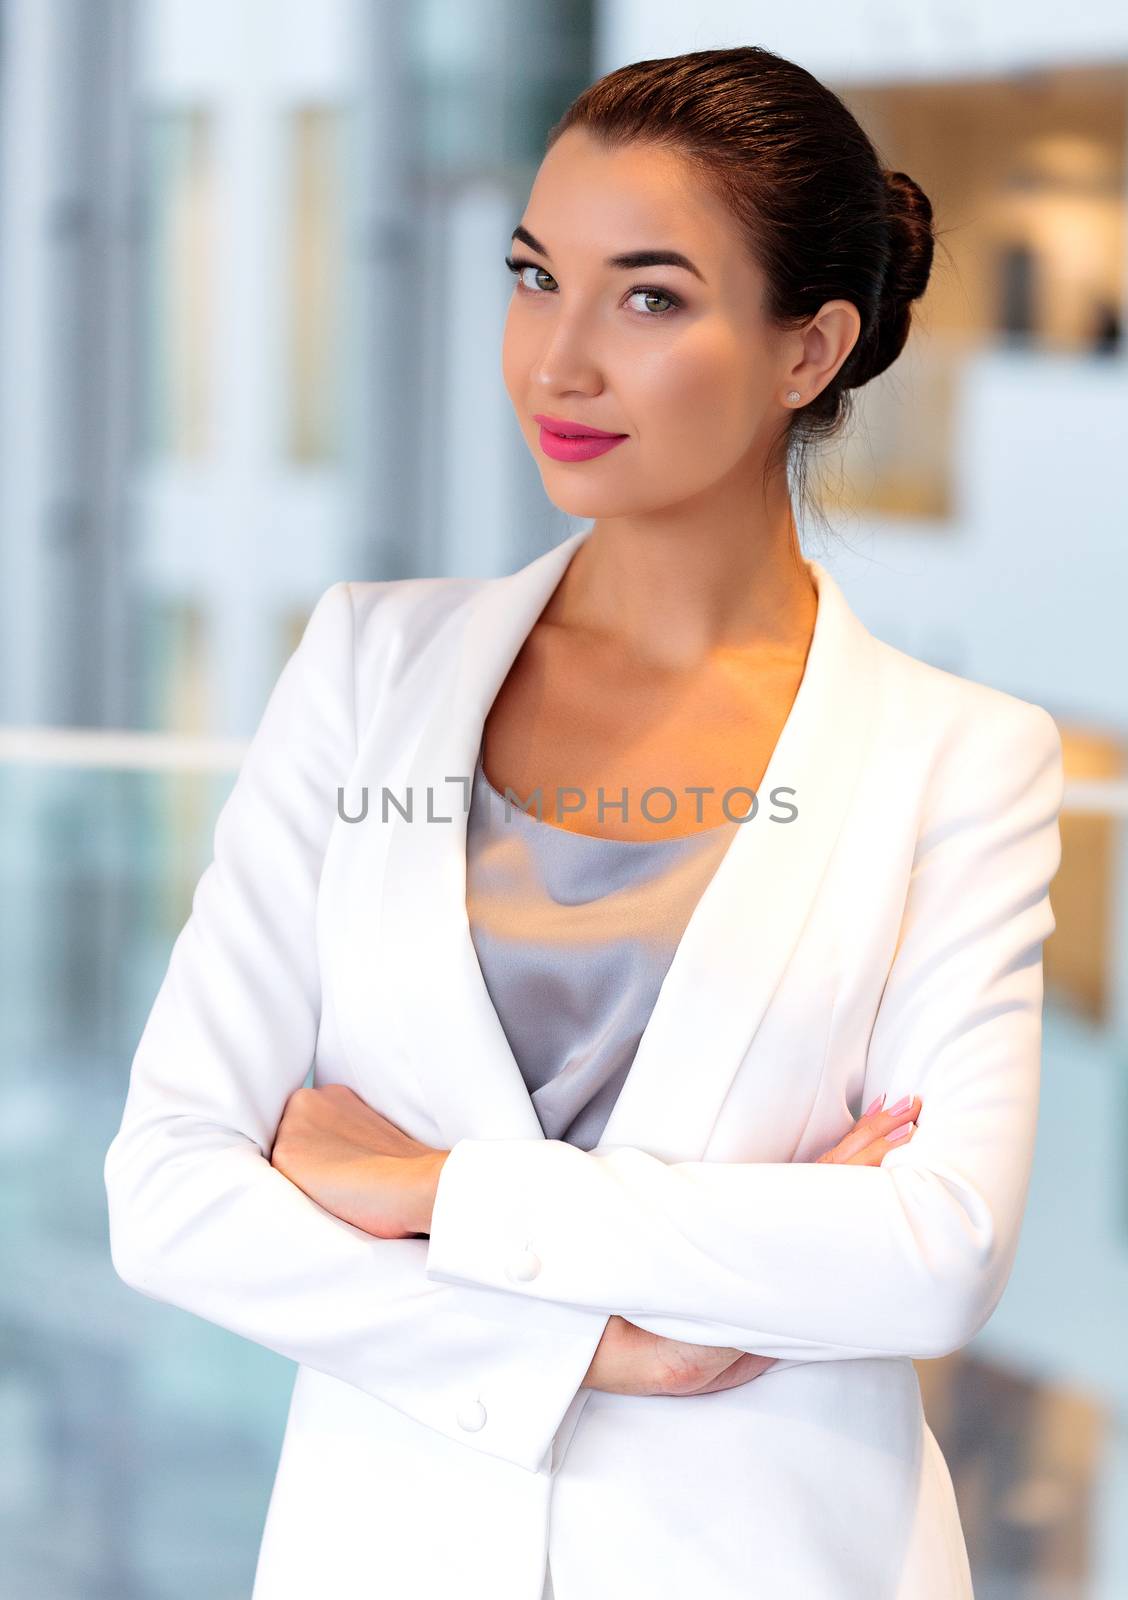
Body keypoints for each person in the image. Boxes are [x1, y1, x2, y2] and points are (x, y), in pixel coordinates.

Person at [104, 43, 1064, 1600]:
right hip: (385, 1551)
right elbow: (171, 1193)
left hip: (773, 1557)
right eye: (534, 274)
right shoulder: (370, 669)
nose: (555, 361)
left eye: (650, 297)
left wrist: (432, 1191)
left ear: (807, 351)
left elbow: (933, 1253)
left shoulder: (959, 758)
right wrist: (597, 1346)